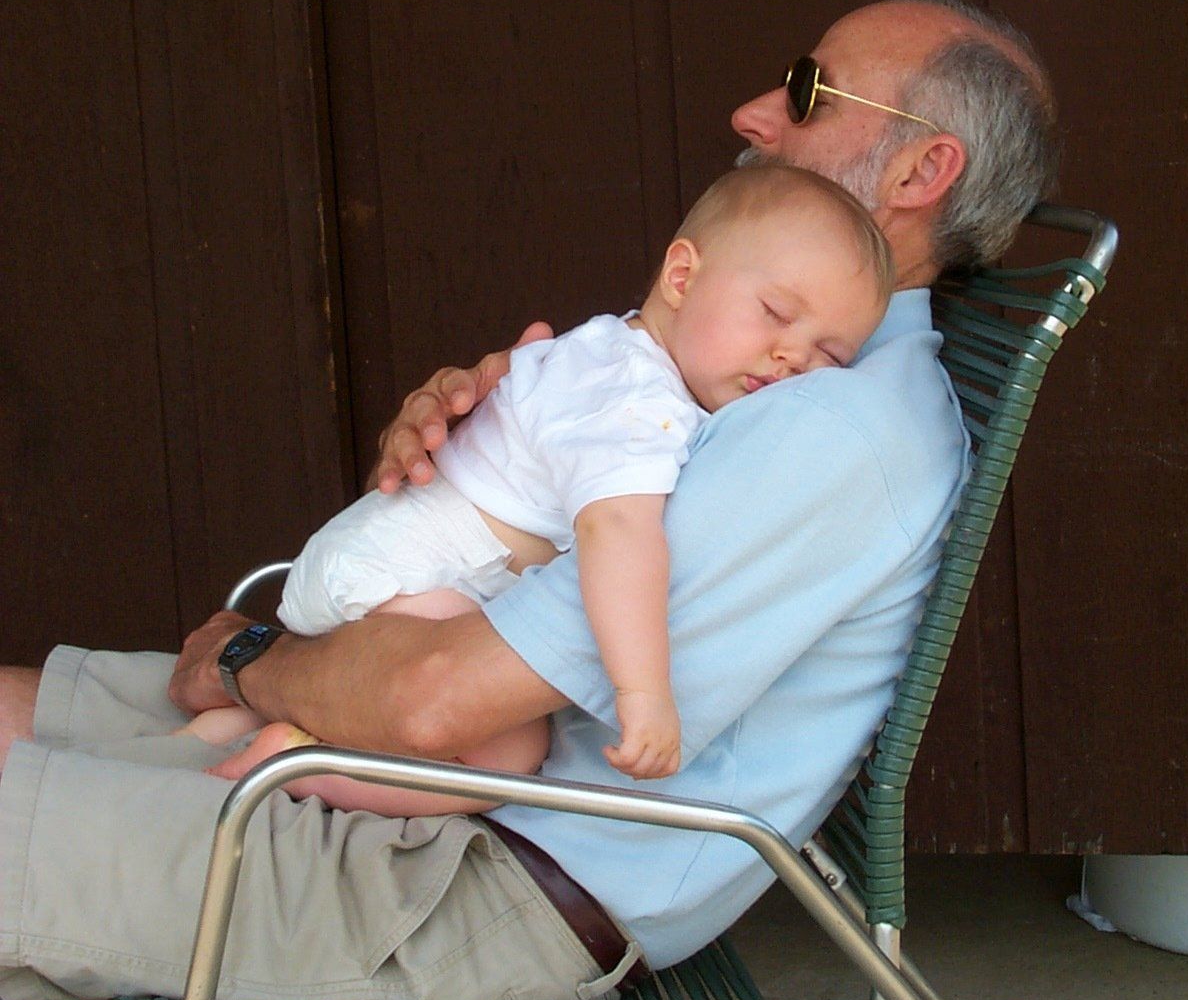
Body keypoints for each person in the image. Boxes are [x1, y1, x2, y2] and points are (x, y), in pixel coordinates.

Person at [0, 0, 1058, 1000]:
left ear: (922, 169)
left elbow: (433, 704)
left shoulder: (828, 430)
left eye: (808, 89)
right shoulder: (758, 375)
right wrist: (485, 447)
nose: (752, 114)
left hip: (462, 874)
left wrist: (245, 660)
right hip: (416, 775)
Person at [193, 166, 892, 813]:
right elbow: (617, 535)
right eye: (775, 313)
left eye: (829, 356)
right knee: (511, 751)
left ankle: (230, 729)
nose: (793, 356)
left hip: (384, 559)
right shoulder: (637, 402)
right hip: (411, 583)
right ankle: (294, 761)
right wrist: (644, 694)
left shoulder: (610, 352)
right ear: (681, 276)